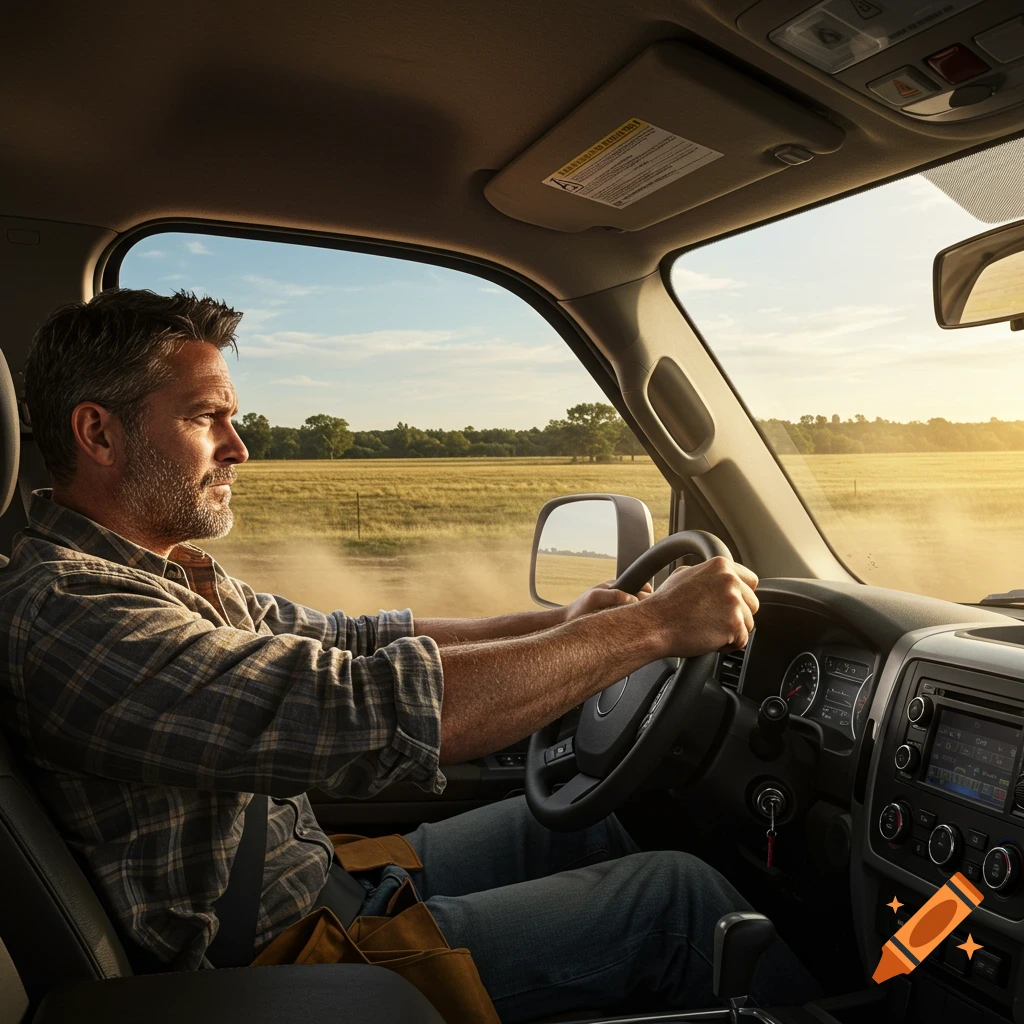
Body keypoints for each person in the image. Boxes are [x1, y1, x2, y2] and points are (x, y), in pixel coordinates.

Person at [0, 289, 819, 1020]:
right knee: (678, 903)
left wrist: (564, 621)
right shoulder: (75, 614)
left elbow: (350, 641)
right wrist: (644, 632)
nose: (240, 446)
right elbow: (362, 708)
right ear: (97, 432)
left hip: (323, 884)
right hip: (280, 966)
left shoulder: (155, 573)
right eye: (205, 417)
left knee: (603, 824)